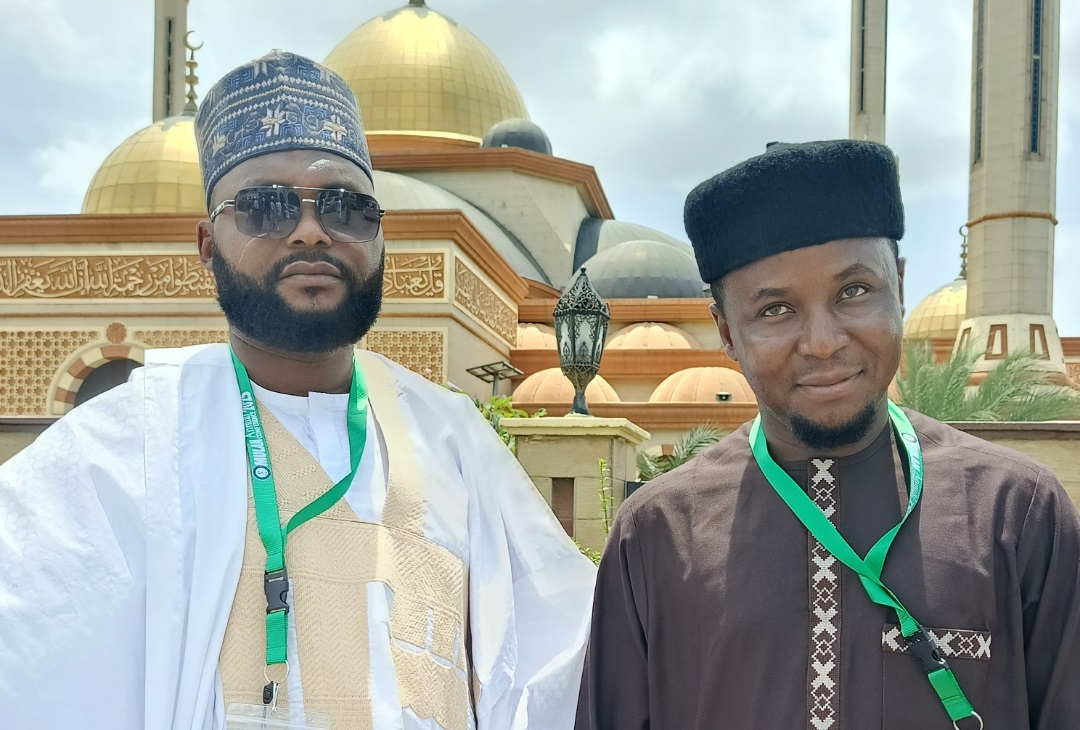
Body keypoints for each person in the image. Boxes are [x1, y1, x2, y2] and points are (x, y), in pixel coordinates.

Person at [0, 50, 595, 730]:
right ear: (207, 244)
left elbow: (568, 661)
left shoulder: (452, 439)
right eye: (265, 208)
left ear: (380, 237)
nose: (311, 230)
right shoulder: (124, 447)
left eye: (346, 208)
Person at [575, 140, 1080, 729]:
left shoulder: (1016, 514)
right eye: (775, 310)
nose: (822, 342)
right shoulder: (657, 535)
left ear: (899, 286)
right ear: (726, 332)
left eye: (854, 291)